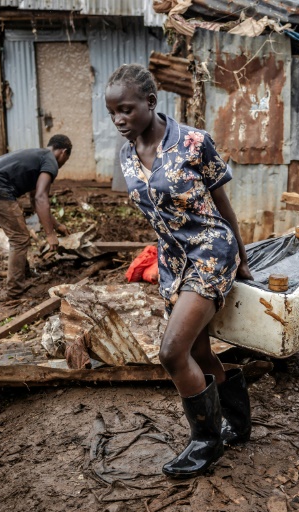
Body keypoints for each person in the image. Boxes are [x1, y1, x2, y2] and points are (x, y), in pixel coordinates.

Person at [106, 64, 252, 478]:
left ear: (151, 103)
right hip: (172, 261)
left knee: (173, 352)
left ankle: (205, 443)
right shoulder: (127, 153)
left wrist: (242, 260)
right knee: (200, 351)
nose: (119, 119)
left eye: (127, 109)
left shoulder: (193, 142)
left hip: (210, 251)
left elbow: (223, 206)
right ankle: (237, 424)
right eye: (113, 112)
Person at [0, 136, 72, 300]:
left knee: (19, 235)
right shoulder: (51, 162)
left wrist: (56, 225)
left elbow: (35, 200)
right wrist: (50, 234)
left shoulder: (39, 157)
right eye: (66, 159)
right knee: (19, 238)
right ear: (63, 152)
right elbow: (41, 198)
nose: (63, 164)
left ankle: (23, 276)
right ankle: (15, 292)